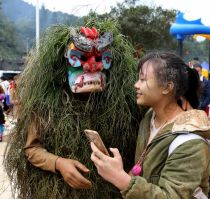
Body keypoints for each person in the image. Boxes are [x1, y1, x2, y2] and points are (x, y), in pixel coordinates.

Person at [4, 19, 142, 199]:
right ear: (63, 66)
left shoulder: (123, 106)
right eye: (81, 58)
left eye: (101, 59)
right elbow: (32, 148)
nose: (92, 66)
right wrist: (58, 163)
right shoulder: (47, 105)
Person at [90, 52, 210, 198]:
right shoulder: (149, 118)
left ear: (167, 87)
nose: (136, 85)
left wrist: (120, 179)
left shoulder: (191, 143)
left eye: (143, 79)